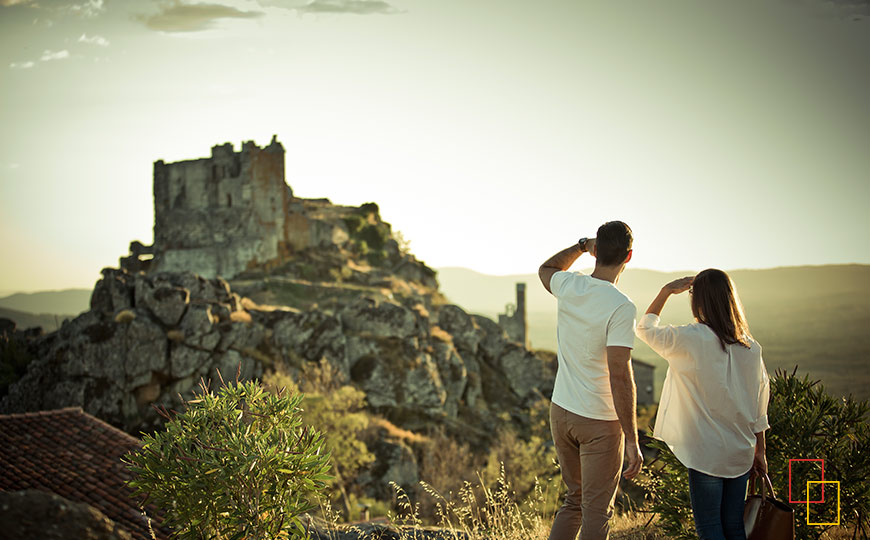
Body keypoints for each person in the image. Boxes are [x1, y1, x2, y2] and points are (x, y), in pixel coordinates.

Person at [635, 269, 770, 540]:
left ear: (699, 301)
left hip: (706, 452)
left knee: (709, 527)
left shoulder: (691, 338)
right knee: (734, 525)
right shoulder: (751, 348)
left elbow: (644, 329)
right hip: (740, 451)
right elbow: (759, 407)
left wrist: (665, 291)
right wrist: (760, 451)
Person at [538, 221, 643, 540]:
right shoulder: (621, 307)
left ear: (596, 251)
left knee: (573, 502)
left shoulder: (571, 285)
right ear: (628, 257)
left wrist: (581, 245)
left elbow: (547, 268)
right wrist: (632, 438)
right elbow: (621, 375)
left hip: (561, 411)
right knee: (597, 511)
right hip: (599, 421)